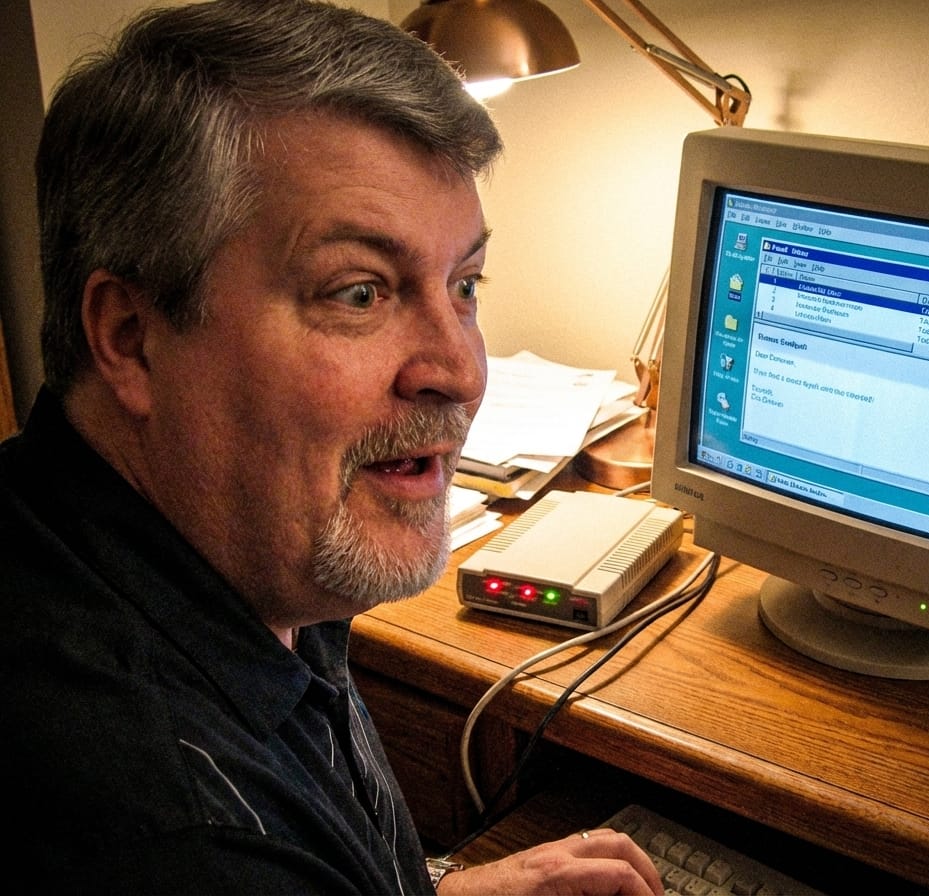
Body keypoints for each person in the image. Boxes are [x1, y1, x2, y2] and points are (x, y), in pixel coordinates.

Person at [0, 1, 664, 893]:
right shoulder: (179, 834)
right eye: (358, 293)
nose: (458, 369)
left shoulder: (246, 547)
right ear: (130, 336)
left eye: (465, 283)